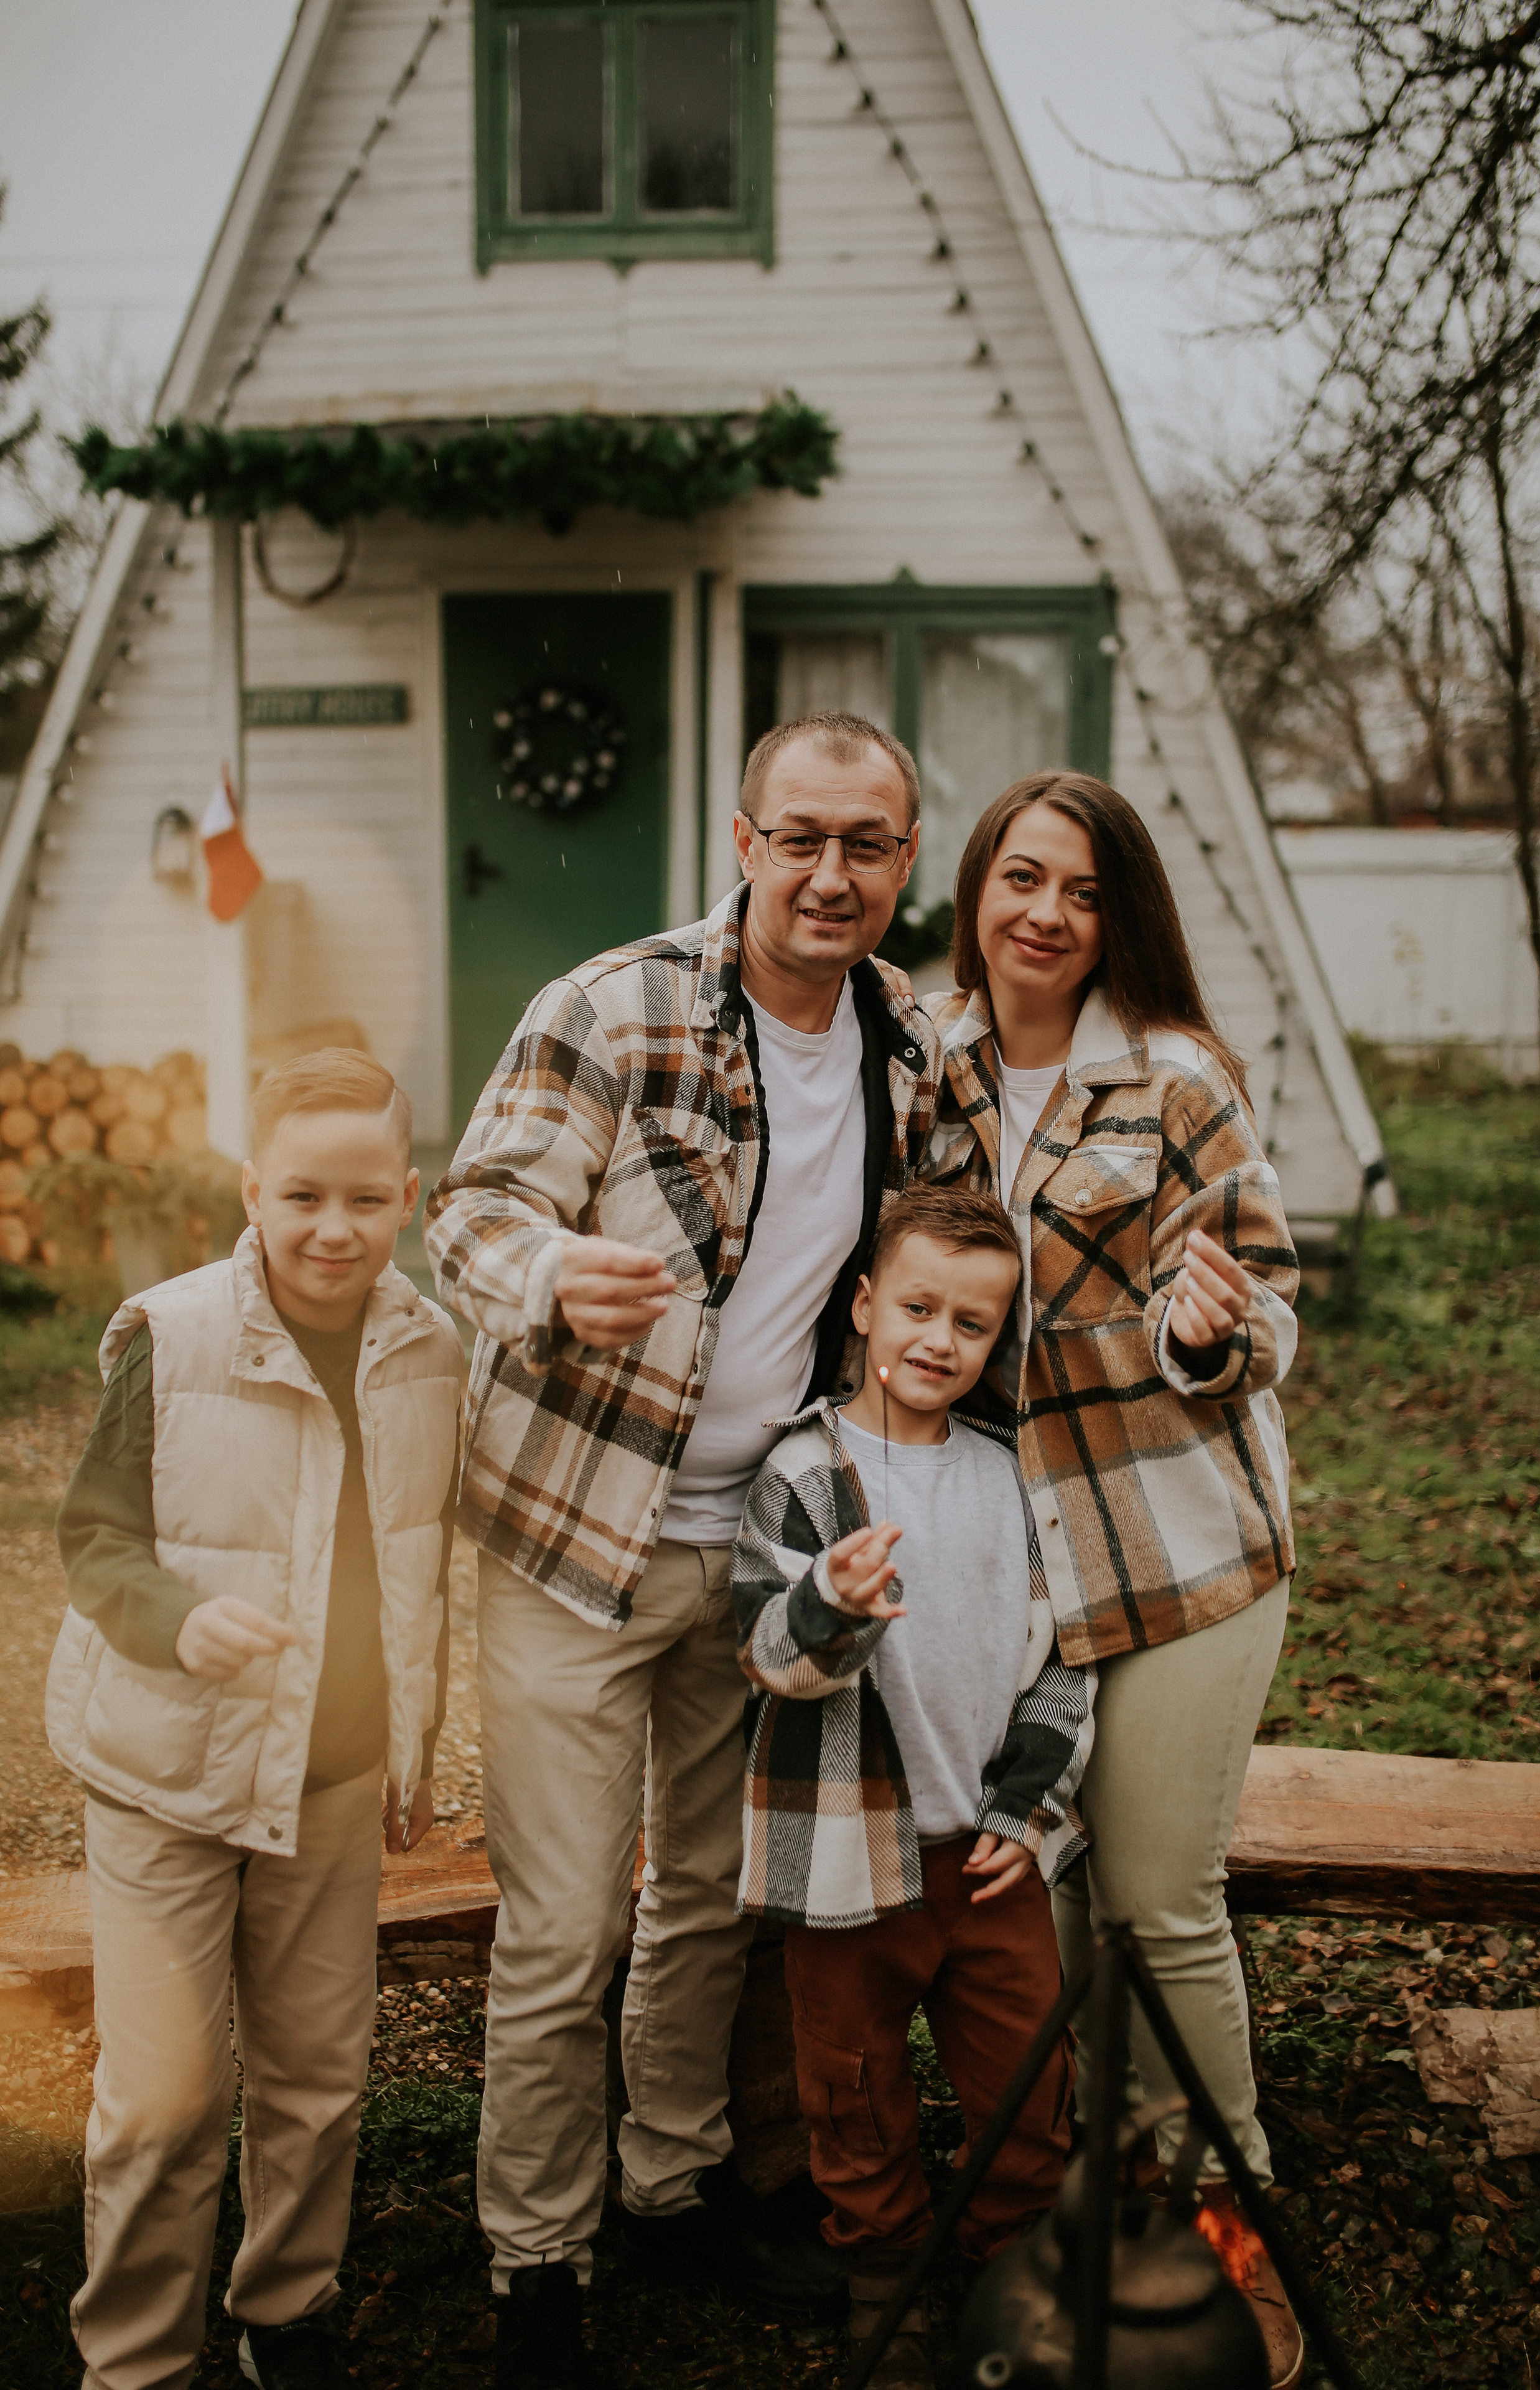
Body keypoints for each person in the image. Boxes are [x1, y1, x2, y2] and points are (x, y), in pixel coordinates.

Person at [424, 712, 940, 2389]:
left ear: (902, 863)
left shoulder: (908, 1052)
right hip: (579, 1531)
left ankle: (667, 2185)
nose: (829, 873)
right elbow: (476, 1207)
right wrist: (547, 1274)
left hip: (756, 1543)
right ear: (741, 838)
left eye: (865, 844)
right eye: (800, 836)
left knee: (709, 1902)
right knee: (567, 1927)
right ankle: (538, 2261)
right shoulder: (615, 1003)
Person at [924, 772, 1304, 2389]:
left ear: (1115, 914)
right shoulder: (918, 1069)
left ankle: (1240, 2235)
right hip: (1010, 1568)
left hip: (1184, 1541)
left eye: (1082, 890)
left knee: (1154, 1900)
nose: (1047, 915)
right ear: (979, 889)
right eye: (1022, 878)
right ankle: (1100, 2220)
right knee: (1063, 1909)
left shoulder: (1174, 1079)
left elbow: (1267, 1305)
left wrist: (1212, 1329)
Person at [47, 1049, 464, 2390]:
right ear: (251, 1191)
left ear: (407, 1196)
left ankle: (286, 2312)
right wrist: (179, 1619)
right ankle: (136, 2360)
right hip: (169, 1769)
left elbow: (418, 1566)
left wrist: (409, 1748)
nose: (331, 1230)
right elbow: (95, 1543)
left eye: (362, 1199)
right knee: (164, 2102)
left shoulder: (430, 1351)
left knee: (317, 2077)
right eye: (301, 1197)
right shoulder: (169, 1336)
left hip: (334, 1781)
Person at [734, 1184, 1096, 2390]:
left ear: (998, 1344)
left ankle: (1009, 2277)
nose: (939, 1340)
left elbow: (1060, 1670)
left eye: (972, 1324)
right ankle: (881, 2274)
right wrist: (829, 1602)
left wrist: (1027, 1814)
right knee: (852, 2087)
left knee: (1025, 2082)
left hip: (988, 1861)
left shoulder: (1011, 1477)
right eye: (917, 1308)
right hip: (847, 1862)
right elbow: (772, 1660)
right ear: (862, 1305)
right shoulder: (802, 1472)